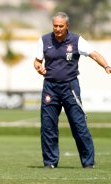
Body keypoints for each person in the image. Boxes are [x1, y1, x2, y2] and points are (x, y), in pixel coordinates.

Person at [34, 12, 111, 169]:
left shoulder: (77, 40)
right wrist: (38, 68)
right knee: (48, 126)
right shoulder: (44, 40)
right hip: (50, 87)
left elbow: (94, 54)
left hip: (70, 87)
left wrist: (106, 66)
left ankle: (88, 162)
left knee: (78, 125)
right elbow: (37, 61)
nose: (57, 29)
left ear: (67, 26)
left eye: (61, 26)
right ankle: (50, 162)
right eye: (55, 26)